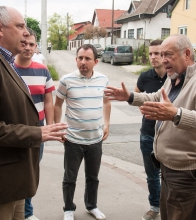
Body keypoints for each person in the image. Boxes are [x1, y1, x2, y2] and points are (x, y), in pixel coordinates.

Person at [0, 6, 67, 220]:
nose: (25, 32)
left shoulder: (3, 61)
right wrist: (37, 133)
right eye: (19, 26)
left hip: (11, 177)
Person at [104, 34, 196, 220]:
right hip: (169, 167)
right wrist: (130, 97)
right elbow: (157, 98)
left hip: (187, 171)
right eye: (161, 54)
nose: (163, 59)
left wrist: (176, 114)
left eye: (168, 54)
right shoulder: (175, 77)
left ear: (186, 53)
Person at [54, 44, 111, 220]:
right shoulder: (66, 80)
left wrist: (107, 124)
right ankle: (68, 209)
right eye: (80, 58)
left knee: (93, 177)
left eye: (87, 59)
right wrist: (58, 128)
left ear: (96, 61)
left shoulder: (103, 79)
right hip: (73, 140)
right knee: (70, 177)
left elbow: (107, 102)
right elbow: (57, 104)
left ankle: (91, 205)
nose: (83, 62)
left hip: (95, 139)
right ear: (76, 59)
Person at [15, 27, 55, 220]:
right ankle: (15, 211)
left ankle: (27, 213)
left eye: (31, 44)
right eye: (23, 43)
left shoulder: (43, 71)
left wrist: (51, 126)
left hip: (38, 130)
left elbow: (48, 101)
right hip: (15, 130)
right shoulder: (7, 68)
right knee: (15, 170)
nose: (27, 47)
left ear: (36, 46)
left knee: (32, 171)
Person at [135, 39, 167, 220]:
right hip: (148, 133)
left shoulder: (175, 77)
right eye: (151, 54)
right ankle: (155, 207)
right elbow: (138, 95)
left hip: (169, 134)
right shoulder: (145, 76)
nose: (153, 57)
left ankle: (168, 207)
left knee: (169, 175)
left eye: (158, 53)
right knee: (152, 176)